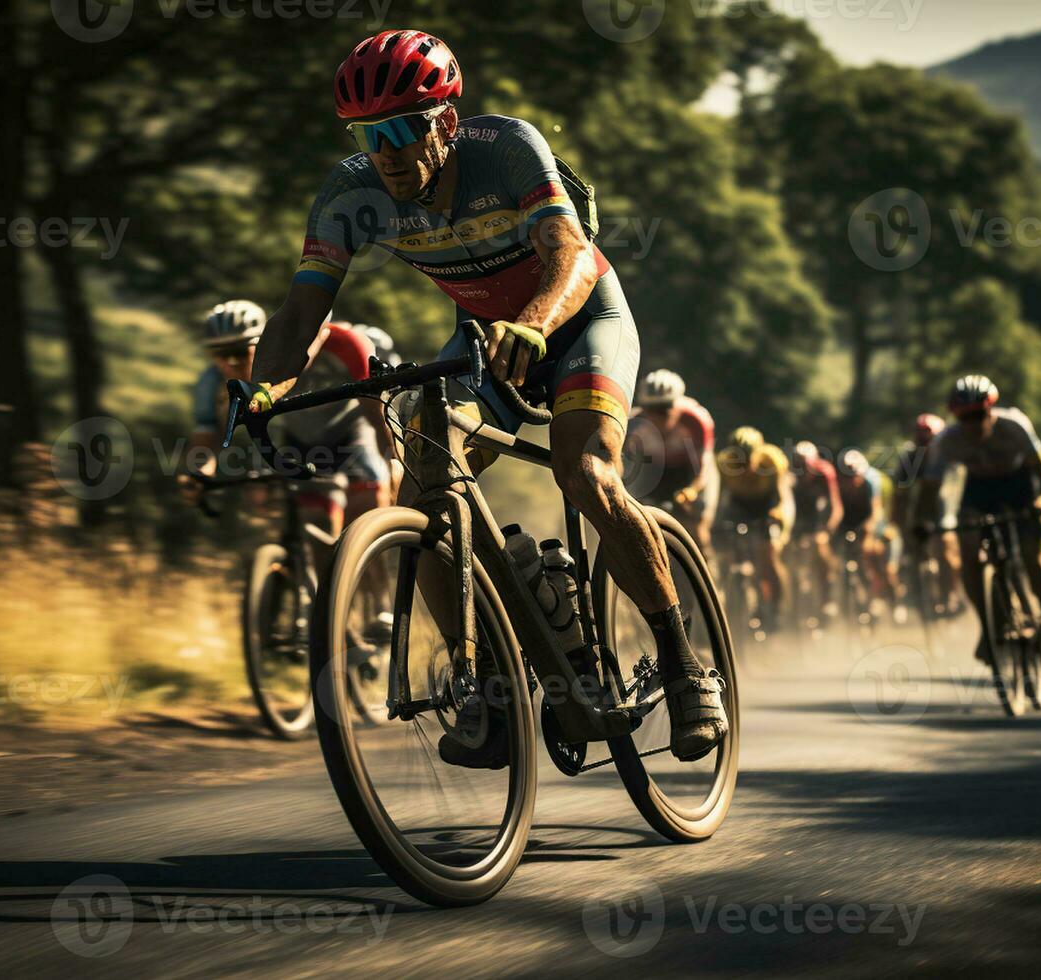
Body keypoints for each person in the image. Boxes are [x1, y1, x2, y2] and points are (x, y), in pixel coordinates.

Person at [241, 30, 726, 765]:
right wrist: (266, 388)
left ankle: (686, 667)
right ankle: (492, 692)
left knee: (585, 473)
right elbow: (303, 311)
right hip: (481, 339)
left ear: (444, 120)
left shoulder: (504, 148)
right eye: (368, 135)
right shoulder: (350, 192)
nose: (387, 151)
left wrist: (533, 324)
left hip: (577, 319)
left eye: (402, 129)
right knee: (426, 487)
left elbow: (567, 252)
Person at [179, 301, 396, 536]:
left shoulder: (314, 351)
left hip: (352, 427)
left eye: (240, 352)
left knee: (362, 523)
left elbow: (377, 414)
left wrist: (394, 461)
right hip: (300, 437)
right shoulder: (212, 380)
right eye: (219, 355)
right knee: (312, 528)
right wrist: (198, 473)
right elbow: (208, 436)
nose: (230, 364)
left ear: (264, 343)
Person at [914, 375, 1041, 666]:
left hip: (1020, 488)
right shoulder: (947, 441)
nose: (973, 424)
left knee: (1033, 561)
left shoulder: (1014, 426)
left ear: (990, 410)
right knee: (968, 552)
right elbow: (928, 490)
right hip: (979, 490)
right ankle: (988, 628)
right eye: (966, 418)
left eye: (979, 415)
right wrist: (921, 523)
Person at [624, 369, 719, 553]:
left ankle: (707, 565)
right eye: (652, 410)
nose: (659, 417)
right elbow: (625, 470)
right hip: (657, 470)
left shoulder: (696, 420)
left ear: (678, 405)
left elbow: (703, 469)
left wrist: (692, 489)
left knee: (698, 526)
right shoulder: (634, 425)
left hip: (691, 471)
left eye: (665, 410)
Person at [716, 426, 794, 626]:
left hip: (769, 507)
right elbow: (722, 499)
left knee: (768, 554)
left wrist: (777, 515)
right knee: (729, 551)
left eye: (746, 461)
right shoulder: (724, 463)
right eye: (737, 461)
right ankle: (733, 600)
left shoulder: (772, 462)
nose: (741, 467)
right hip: (741, 507)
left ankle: (777, 608)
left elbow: (782, 498)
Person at [891, 413, 959, 615]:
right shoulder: (909, 458)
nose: (925, 442)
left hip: (947, 508)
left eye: (929, 438)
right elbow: (899, 493)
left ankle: (950, 596)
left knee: (946, 549)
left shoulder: (951, 455)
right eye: (920, 438)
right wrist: (897, 521)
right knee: (912, 550)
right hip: (921, 510)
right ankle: (916, 594)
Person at [836, 448, 903, 624]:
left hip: (880, 524)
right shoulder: (838, 483)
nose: (852, 482)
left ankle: (894, 601)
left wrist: (869, 533)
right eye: (847, 478)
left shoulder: (872, 481)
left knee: (879, 559)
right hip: (851, 524)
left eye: (855, 477)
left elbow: (877, 513)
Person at [787, 441, 844, 625]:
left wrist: (826, 531)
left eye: (806, 469)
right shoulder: (790, 477)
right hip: (798, 517)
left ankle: (827, 598)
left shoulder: (825, 472)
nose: (803, 474)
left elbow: (835, 507)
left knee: (821, 549)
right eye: (800, 469)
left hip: (819, 519)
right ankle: (790, 607)